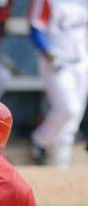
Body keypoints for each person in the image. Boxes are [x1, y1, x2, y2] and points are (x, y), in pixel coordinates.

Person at [29, 0, 88, 167]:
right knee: (68, 108)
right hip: (55, 61)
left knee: (74, 118)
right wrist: (50, 55)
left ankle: (61, 169)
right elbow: (35, 28)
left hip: (81, 60)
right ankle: (39, 140)